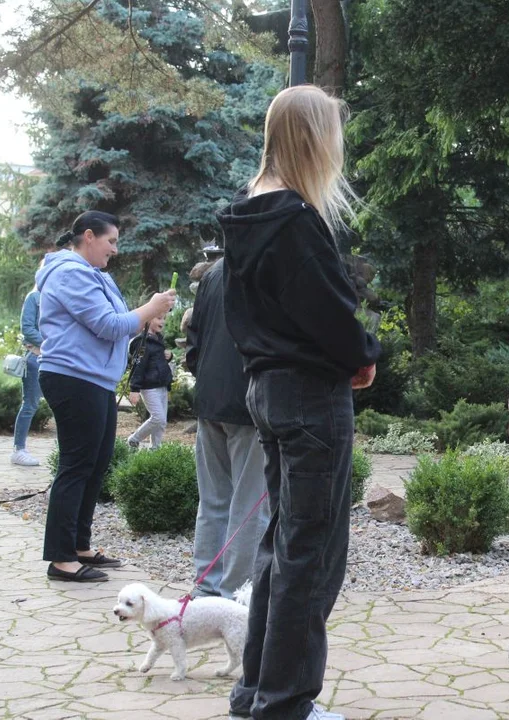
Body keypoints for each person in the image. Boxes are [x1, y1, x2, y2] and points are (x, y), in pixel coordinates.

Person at [221, 85, 380, 720]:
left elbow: (247, 315)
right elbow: (330, 313)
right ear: (314, 138)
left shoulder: (247, 212)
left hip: (268, 389)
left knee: (282, 547)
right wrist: (362, 354)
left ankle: (256, 694)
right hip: (310, 397)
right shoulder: (294, 219)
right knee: (310, 554)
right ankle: (285, 704)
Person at [38, 211, 176, 583]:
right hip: (74, 378)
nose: (115, 249)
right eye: (111, 241)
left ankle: (79, 546)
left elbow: (119, 323)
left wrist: (148, 313)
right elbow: (109, 325)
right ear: (88, 236)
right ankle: (61, 558)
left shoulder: (93, 275)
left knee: (96, 464)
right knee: (77, 465)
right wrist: (150, 309)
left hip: (94, 380)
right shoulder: (70, 273)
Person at [185, 256, 269, 600]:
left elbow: (194, 341)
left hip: (209, 400)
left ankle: (205, 586)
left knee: (214, 499)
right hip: (250, 402)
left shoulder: (214, 273)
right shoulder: (268, 266)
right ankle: (237, 593)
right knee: (249, 504)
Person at [11, 260, 47, 467]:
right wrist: (52, 343)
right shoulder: (34, 297)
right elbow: (28, 329)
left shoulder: (56, 298)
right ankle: (19, 449)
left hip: (52, 359)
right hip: (35, 358)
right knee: (30, 403)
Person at [127, 315, 173, 449]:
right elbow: (138, 366)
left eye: (164, 318)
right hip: (149, 387)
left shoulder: (158, 339)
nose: (163, 321)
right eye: (159, 318)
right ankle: (133, 439)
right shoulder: (142, 343)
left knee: (162, 422)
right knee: (158, 418)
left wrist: (170, 356)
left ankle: (155, 450)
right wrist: (134, 389)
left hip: (162, 385)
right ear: (148, 320)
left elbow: (158, 361)